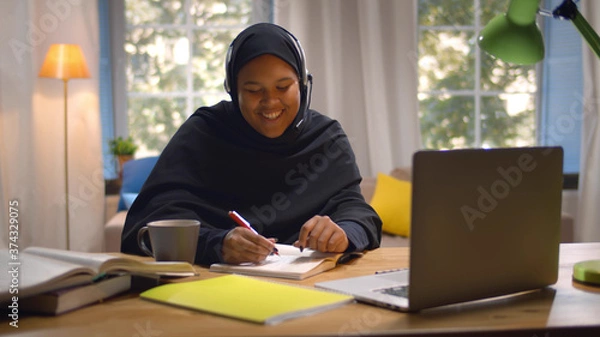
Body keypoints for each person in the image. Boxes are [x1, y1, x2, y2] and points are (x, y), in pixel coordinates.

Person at [121, 23, 382, 266]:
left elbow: (358, 213)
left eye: (283, 87)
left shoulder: (326, 137)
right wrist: (216, 243)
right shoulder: (204, 133)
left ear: (302, 84)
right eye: (254, 90)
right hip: (212, 286)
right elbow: (146, 227)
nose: (270, 101)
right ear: (233, 91)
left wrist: (344, 233)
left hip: (311, 283)